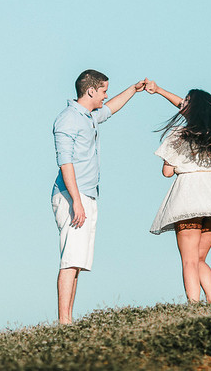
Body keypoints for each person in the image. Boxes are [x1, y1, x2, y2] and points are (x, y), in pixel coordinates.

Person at [51, 69, 147, 325]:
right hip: (73, 196)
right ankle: (64, 321)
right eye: (103, 90)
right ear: (91, 90)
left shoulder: (89, 116)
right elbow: (65, 162)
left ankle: (68, 319)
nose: (106, 95)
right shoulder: (68, 119)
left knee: (78, 260)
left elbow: (111, 108)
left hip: (87, 195)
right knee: (71, 258)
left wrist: (134, 89)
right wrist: (77, 202)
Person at [145, 81, 211, 304]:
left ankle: (193, 306)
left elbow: (166, 172)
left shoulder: (177, 134)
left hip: (189, 197)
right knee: (201, 258)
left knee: (189, 261)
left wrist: (174, 165)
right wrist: (160, 91)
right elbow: (187, 108)